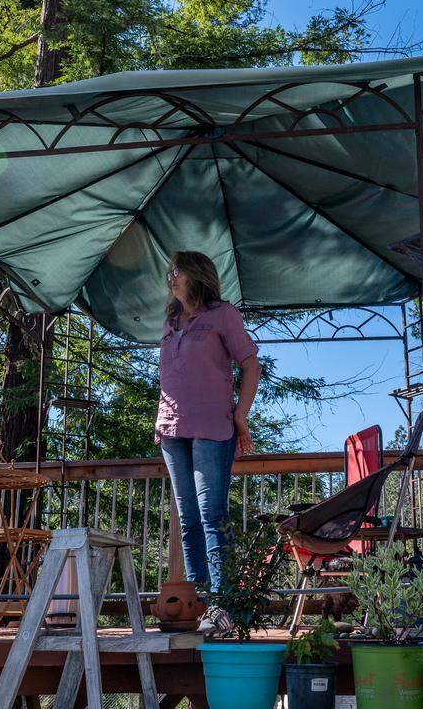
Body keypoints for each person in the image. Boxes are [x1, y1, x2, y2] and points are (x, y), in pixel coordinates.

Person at [155, 251, 261, 627]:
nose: (171, 277)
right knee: (188, 520)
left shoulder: (222, 314)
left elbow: (250, 363)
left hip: (213, 427)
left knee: (212, 515)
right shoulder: (171, 321)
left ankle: (223, 605)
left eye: (177, 271)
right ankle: (197, 604)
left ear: (195, 275)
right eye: (170, 271)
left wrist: (240, 414)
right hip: (171, 429)